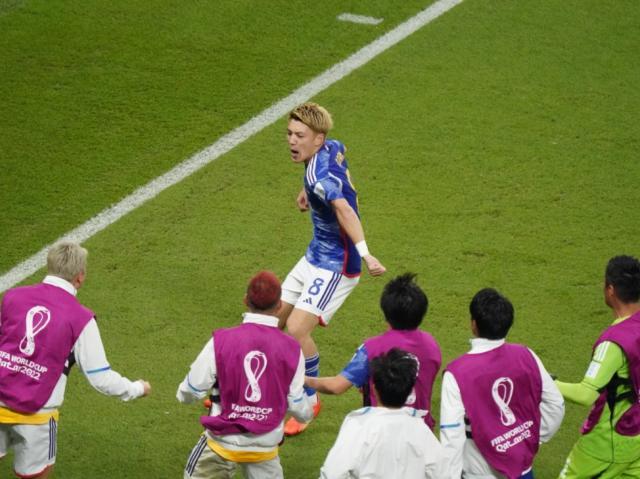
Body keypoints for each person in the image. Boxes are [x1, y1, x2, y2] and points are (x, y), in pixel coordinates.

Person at [0, 242, 151, 478]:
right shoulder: (81, 319)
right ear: (80, 277)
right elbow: (100, 378)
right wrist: (136, 388)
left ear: (49, 265)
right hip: (38, 417)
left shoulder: (13, 297)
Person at [279, 102, 386, 436]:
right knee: (270, 320)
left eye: (300, 135)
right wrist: (306, 190)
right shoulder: (331, 147)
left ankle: (309, 401)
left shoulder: (319, 178)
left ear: (318, 139)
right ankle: (263, 384)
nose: (292, 141)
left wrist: (366, 254)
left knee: (295, 330)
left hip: (336, 265)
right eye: (290, 133)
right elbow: (338, 157)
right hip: (314, 255)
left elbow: (344, 210)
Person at [177, 271, 312, 479]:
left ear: (245, 300)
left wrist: (184, 397)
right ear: (279, 306)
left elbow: (192, 388)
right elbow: (297, 404)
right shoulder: (292, 349)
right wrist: (306, 415)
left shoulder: (221, 341)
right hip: (265, 447)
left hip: (222, 442)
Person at [440, 288, 564, 479]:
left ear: (474, 324)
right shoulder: (526, 354)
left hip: (478, 473)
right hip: (523, 472)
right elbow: (556, 404)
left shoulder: (457, 373)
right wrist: (525, 439)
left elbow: (451, 436)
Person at [306, 273, 441, 427]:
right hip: (421, 430)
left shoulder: (372, 348)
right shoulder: (431, 345)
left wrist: (303, 380)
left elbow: (336, 386)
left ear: (386, 312)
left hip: (382, 430)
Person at [557, 255, 640, 478]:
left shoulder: (613, 342)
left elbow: (585, 394)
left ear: (610, 289)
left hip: (606, 443)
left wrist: (546, 382)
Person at [319, 348, 446, 478]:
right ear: (409, 391)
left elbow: (332, 473)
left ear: (374, 388)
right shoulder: (420, 429)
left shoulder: (358, 424)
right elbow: (442, 472)